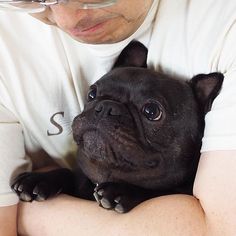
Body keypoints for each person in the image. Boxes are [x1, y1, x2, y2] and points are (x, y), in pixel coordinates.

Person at [0, 0, 235, 235]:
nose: (67, 18)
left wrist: (27, 215)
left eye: (151, 112)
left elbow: (218, 228)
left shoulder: (221, 25)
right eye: (94, 96)